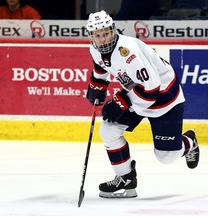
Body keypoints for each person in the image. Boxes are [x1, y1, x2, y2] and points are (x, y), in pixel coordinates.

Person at [85, 10, 200, 198]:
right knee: (108, 130)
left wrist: (122, 101)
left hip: (163, 97)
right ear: (91, 37)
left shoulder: (128, 52)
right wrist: (97, 85)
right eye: (98, 35)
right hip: (137, 92)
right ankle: (126, 178)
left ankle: (189, 142)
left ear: (113, 31)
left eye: (106, 33)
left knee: (166, 157)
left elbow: (151, 90)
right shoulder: (95, 48)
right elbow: (101, 66)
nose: (103, 39)